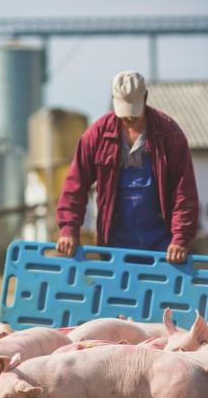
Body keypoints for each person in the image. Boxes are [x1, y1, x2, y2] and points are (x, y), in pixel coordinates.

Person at [56, 71, 199, 263]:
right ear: (114, 100)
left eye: (134, 113)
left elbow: (184, 191)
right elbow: (75, 185)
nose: (129, 119)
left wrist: (181, 238)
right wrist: (68, 229)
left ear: (145, 97)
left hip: (163, 246)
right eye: (124, 113)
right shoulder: (97, 136)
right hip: (116, 243)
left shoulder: (169, 135)